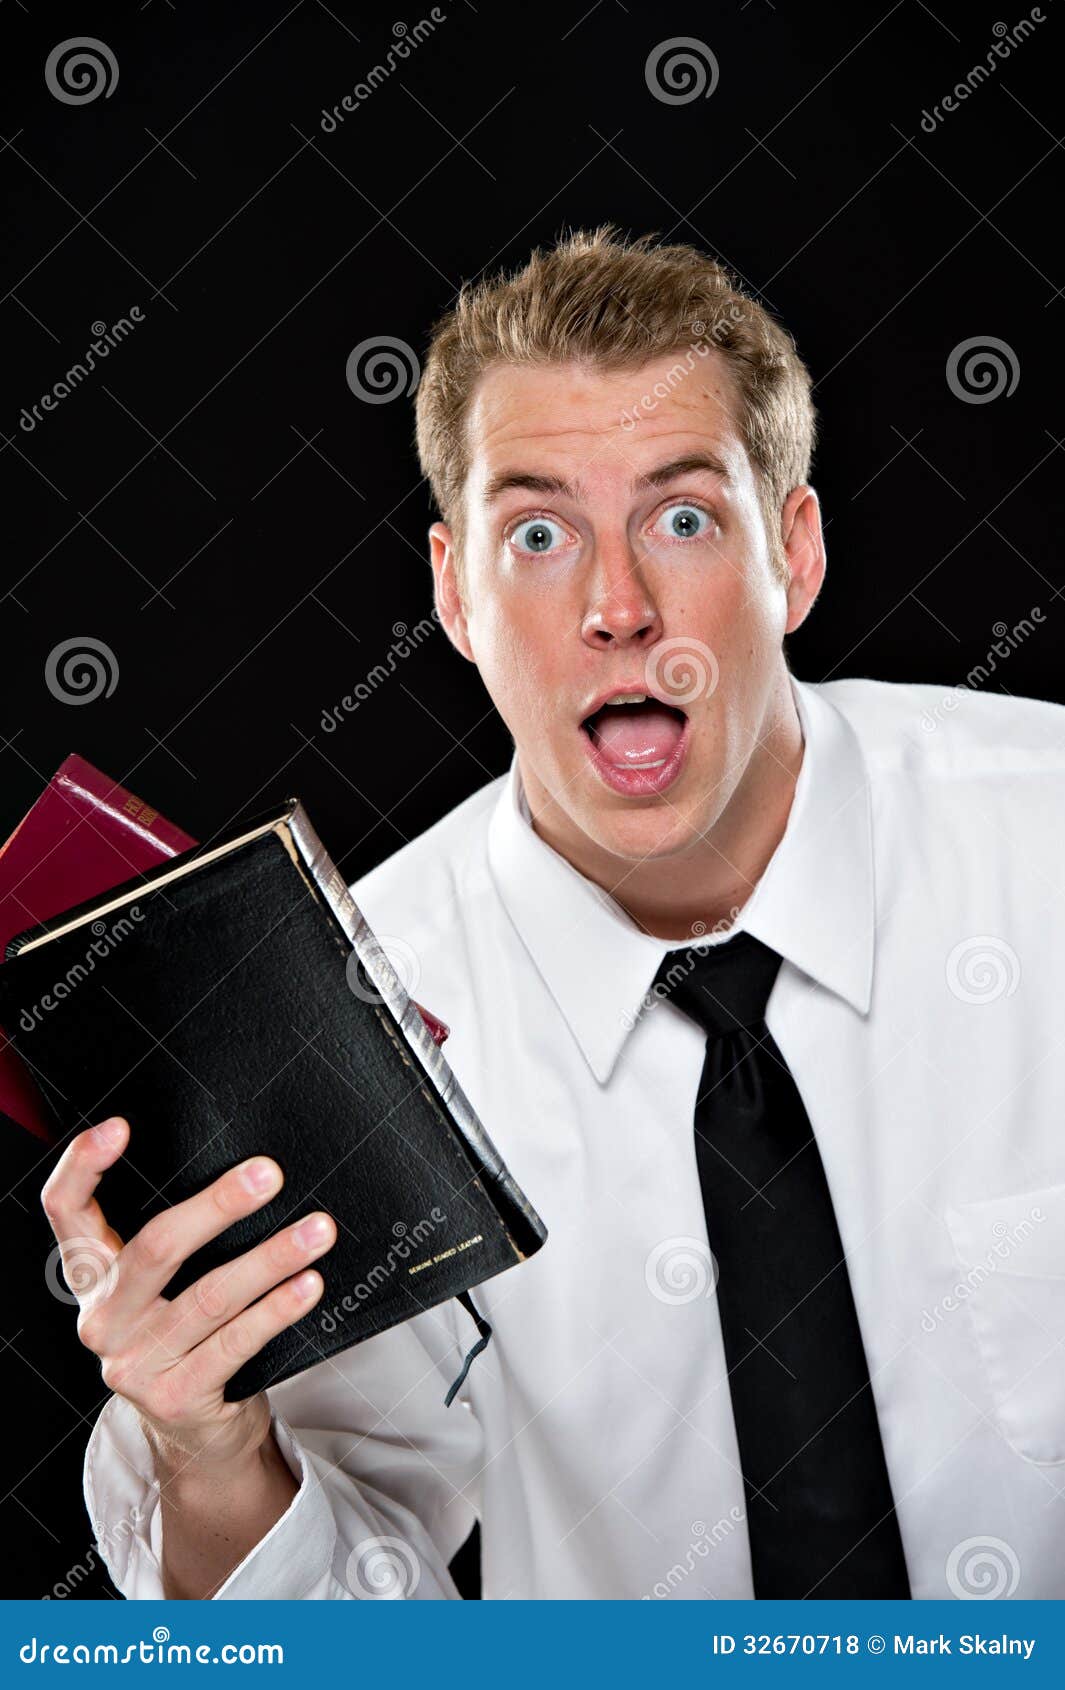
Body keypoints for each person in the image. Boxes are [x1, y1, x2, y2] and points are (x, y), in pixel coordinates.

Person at [42, 227, 1065, 1600]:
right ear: (454, 591)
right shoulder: (356, 1017)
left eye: (683, 516)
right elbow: (338, 1617)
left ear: (797, 554)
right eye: (536, 533)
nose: (617, 606)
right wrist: (205, 1445)